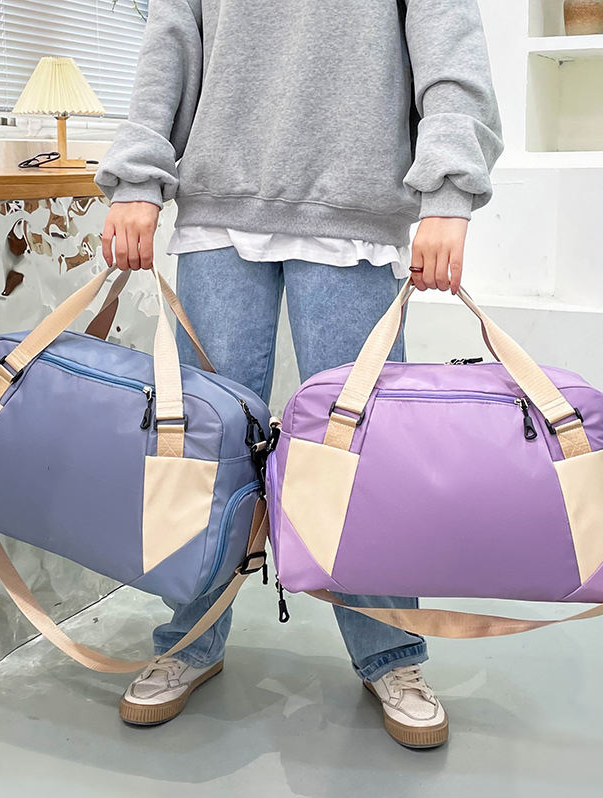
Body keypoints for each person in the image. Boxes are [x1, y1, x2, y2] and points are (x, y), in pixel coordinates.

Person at [94, 0, 503, 749]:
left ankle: (391, 651)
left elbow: (449, 41)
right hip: (219, 204)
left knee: (366, 455)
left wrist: (451, 190)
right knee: (202, 450)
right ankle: (191, 639)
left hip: (352, 203)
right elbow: (171, 40)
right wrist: (138, 177)